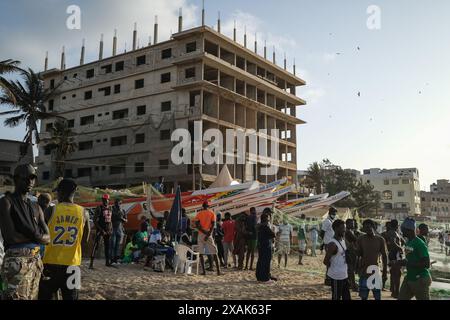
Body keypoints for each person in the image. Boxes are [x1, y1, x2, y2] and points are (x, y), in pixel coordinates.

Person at [0, 165, 50, 300]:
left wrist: (35, 236)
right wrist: (36, 236)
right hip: (16, 262)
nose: (30, 182)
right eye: (26, 178)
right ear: (16, 179)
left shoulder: (36, 206)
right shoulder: (6, 202)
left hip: (35, 261)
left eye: (33, 178)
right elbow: (11, 237)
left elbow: (48, 237)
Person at [38, 179, 90, 300]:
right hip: (73, 265)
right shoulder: (84, 212)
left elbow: (40, 235)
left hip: (50, 264)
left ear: (61, 193)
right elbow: (85, 241)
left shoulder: (51, 210)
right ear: (74, 193)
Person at [398, 217, 432, 300]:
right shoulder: (409, 242)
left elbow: (426, 263)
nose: (401, 231)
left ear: (409, 230)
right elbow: (410, 259)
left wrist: (407, 263)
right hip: (410, 277)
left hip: (420, 279)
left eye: (403, 229)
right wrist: (398, 262)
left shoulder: (419, 243)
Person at [356, 219, 387, 300]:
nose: (368, 229)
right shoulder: (361, 239)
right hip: (364, 272)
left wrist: (385, 272)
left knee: (377, 296)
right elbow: (358, 254)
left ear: (373, 227)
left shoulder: (380, 240)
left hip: (376, 271)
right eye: (366, 228)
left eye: (369, 227)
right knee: (364, 296)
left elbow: (384, 256)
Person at [323, 219, 351, 300]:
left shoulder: (342, 240)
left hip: (344, 275)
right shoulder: (332, 244)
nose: (344, 230)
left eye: (344, 228)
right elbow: (325, 261)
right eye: (342, 228)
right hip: (336, 277)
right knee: (336, 297)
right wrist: (333, 269)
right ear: (335, 228)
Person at [192, 201, 221, 275]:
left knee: (201, 253)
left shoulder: (199, 214)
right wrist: (208, 234)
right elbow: (213, 225)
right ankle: (218, 271)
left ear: (202, 206)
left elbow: (197, 225)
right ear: (209, 206)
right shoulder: (212, 213)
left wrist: (204, 232)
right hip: (208, 234)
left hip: (201, 234)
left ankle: (204, 271)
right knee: (214, 252)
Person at [89, 194, 114, 269]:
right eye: (104, 200)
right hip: (100, 229)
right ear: (102, 200)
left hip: (108, 230)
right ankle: (91, 264)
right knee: (96, 246)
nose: (105, 201)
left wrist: (111, 229)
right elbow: (94, 220)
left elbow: (110, 220)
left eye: (106, 200)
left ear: (109, 200)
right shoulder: (99, 208)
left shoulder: (110, 208)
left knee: (107, 246)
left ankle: (107, 262)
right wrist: (101, 230)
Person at [255, 213, 277, 283]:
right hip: (266, 246)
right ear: (266, 219)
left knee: (261, 261)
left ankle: (261, 276)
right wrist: (272, 229)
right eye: (268, 218)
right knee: (265, 262)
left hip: (261, 246)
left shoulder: (260, 226)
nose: (269, 219)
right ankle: (265, 278)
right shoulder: (265, 226)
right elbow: (273, 234)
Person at [385, 219, 404, 298]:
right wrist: (400, 248)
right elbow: (393, 243)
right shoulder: (392, 232)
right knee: (397, 273)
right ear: (397, 225)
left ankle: (394, 291)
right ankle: (396, 292)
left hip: (393, 254)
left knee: (394, 273)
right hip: (394, 255)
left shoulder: (394, 232)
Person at [110, 199, 127, 264]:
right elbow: (111, 217)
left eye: (119, 203)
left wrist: (122, 219)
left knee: (117, 245)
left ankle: (115, 259)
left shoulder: (122, 210)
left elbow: (126, 220)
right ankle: (111, 259)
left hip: (120, 229)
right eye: (116, 203)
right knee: (113, 244)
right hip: (113, 228)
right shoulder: (112, 210)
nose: (118, 205)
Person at [344, 219, 358, 291]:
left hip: (351, 251)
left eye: (353, 223)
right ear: (347, 224)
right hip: (349, 252)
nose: (353, 225)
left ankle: (350, 283)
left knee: (350, 269)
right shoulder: (348, 232)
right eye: (351, 223)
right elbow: (355, 239)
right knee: (351, 269)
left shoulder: (350, 231)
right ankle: (353, 284)